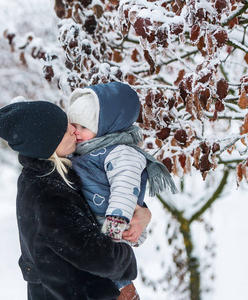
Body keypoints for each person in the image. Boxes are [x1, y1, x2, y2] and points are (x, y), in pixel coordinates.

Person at [0, 100, 150, 300]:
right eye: (64, 130)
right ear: (47, 142)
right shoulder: (48, 193)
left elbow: (102, 199)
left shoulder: (53, 175)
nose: (74, 131)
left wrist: (142, 212)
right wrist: (124, 256)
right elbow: (98, 256)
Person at [67, 81, 178, 298]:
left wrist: (115, 224)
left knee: (111, 265)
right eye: (74, 125)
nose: (77, 133)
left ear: (107, 126)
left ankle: (125, 291)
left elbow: (124, 188)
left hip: (110, 222)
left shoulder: (121, 153)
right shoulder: (87, 150)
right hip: (92, 221)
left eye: (84, 127)